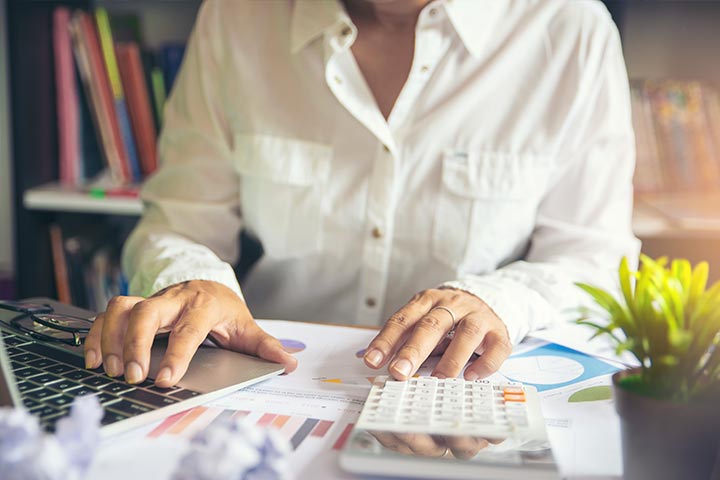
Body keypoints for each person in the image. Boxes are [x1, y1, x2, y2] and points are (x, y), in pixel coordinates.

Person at [83, 0, 640, 388]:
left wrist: (498, 301)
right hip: (266, 376)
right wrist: (191, 279)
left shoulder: (572, 31)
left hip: (458, 386)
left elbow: (593, 257)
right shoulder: (235, 17)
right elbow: (177, 222)